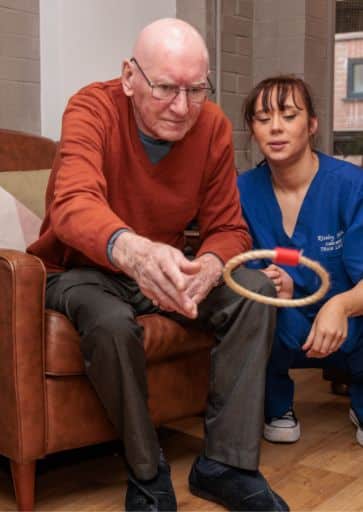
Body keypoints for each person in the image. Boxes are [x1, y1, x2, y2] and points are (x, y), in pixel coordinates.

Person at [28, 18, 288, 512]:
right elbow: (72, 204)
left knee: (254, 290)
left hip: (165, 268)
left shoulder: (209, 126)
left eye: (196, 90)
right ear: (130, 77)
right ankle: (147, 474)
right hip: (83, 270)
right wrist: (137, 252)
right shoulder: (91, 108)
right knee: (109, 324)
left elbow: (229, 228)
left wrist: (210, 266)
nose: (182, 107)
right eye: (166, 87)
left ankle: (226, 465)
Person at [237, 75, 363, 448]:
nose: (275, 127)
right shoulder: (242, 190)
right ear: (252, 130)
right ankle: (276, 406)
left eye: (289, 116)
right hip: (284, 320)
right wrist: (270, 282)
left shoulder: (349, 185)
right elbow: (234, 262)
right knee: (256, 306)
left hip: (348, 319)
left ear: (311, 125)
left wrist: (340, 305)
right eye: (263, 118)